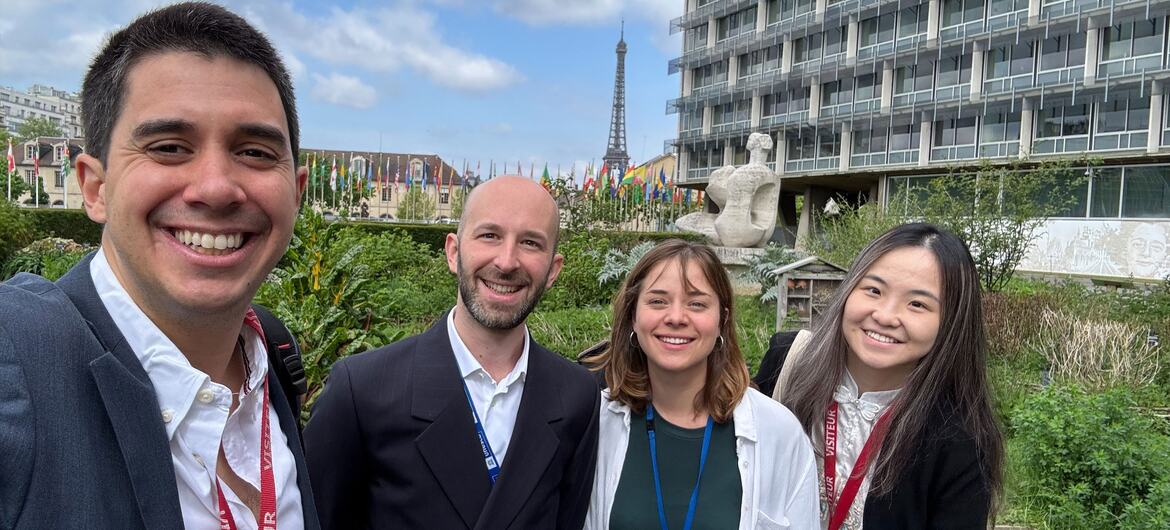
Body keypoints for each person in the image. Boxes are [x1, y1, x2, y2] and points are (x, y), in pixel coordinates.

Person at [0, 3, 318, 529]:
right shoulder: (17, 361)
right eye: (170, 147)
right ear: (94, 187)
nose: (216, 187)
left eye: (256, 152)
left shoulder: (274, 356)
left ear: (296, 193)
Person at [303, 175, 600, 529]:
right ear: (453, 252)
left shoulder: (577, 395)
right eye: (489, 235)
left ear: (553, 270)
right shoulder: (362, 389)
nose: (506, 262)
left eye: (531, 243)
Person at [776, 223, 1004, 529]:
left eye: (917, 304)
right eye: (873, 290)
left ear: (951, 322)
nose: (884, 316)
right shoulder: (786, 365)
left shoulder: (957, 442)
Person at [584, 239, 819, 530]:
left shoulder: (779, 432)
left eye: (696, 304)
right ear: (633, 316)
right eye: (658, 301)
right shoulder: (592, 424)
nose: (676, 318)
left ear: (722, 319)